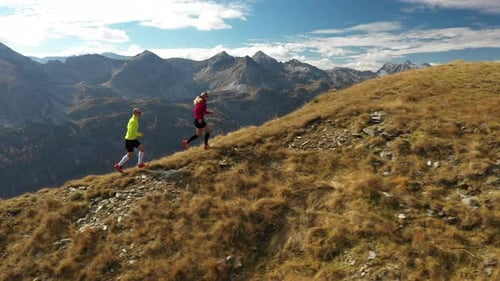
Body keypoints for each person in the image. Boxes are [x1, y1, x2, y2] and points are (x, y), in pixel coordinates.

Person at [114, 108, 147, 173]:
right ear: (135, 113)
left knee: (142, 149)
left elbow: (128, 127)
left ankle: (140, 164)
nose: (140, 114)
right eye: (138, 113)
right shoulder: (133, 121)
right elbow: (132, 131)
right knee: (130, 155)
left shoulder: (133, 119)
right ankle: (118, 165)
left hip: (132, 139)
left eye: (140, 113)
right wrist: (140, 134)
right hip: (129, 140)